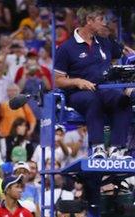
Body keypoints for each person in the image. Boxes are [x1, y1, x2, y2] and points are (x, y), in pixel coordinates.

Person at [54, 6, 134, 159]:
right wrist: (77, 81)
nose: (104, 23)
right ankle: (97, 147)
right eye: (100, 20)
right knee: (93, 99)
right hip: (79, 93)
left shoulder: (104, 42)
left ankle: (117, 149)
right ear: (89, 21)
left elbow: (123, 51)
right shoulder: (66, 48)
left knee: (123, 100)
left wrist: (127, 51)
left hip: (105, 89)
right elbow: (58, 80)